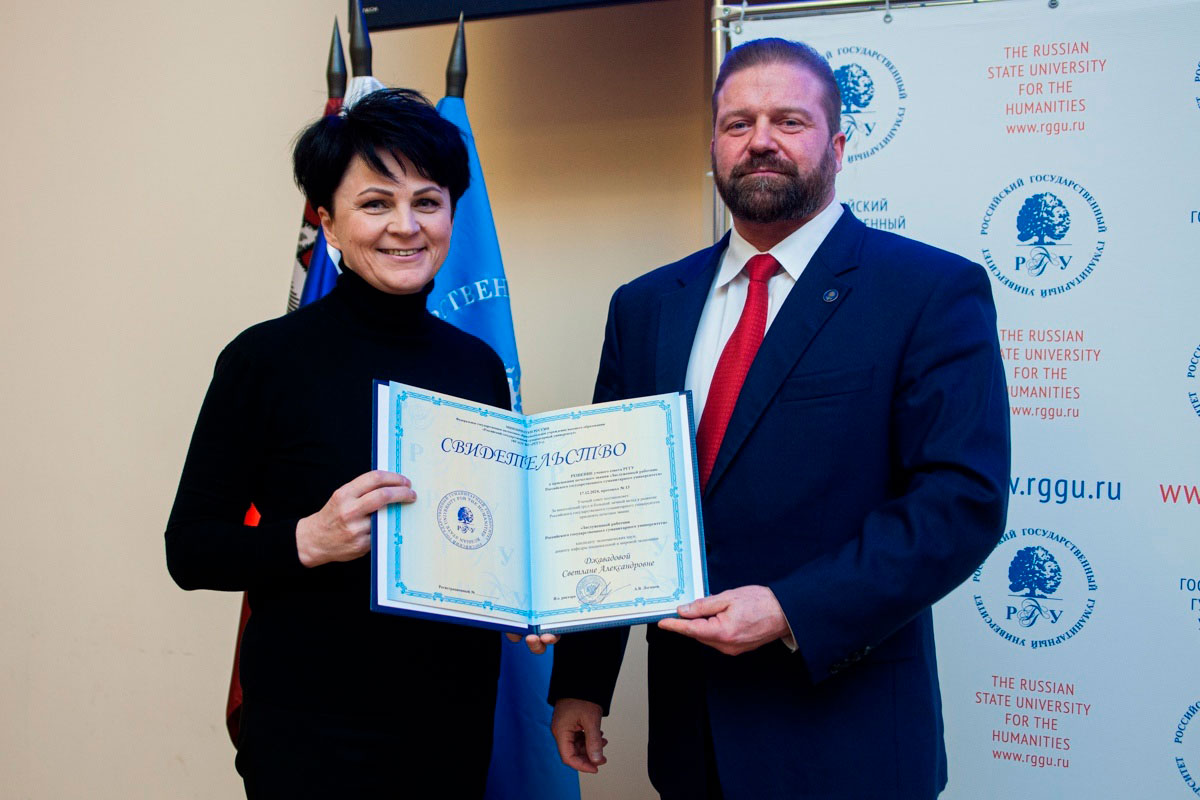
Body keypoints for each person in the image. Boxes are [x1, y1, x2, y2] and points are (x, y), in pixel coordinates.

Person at [538, 38, 1010, 799]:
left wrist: (793, 608)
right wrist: (583, 683)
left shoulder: (928, 291)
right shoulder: (646, 306)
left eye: (789, 121)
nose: (760, 141)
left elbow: (960, 502)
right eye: (738, 123)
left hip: (845, 736)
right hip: (692, 739)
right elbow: (612, 503)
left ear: (839, 147)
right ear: (714, 149)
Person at [165, 88, 511, 798]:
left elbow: (487, 533)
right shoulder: (263, 360)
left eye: (427, 201)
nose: (405, 226)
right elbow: (189, 548)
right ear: (327, 222)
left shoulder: (477, 366)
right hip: (310, 733)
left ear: (452, 212)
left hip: (451, 725)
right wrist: (306, 540)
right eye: (375, 203)